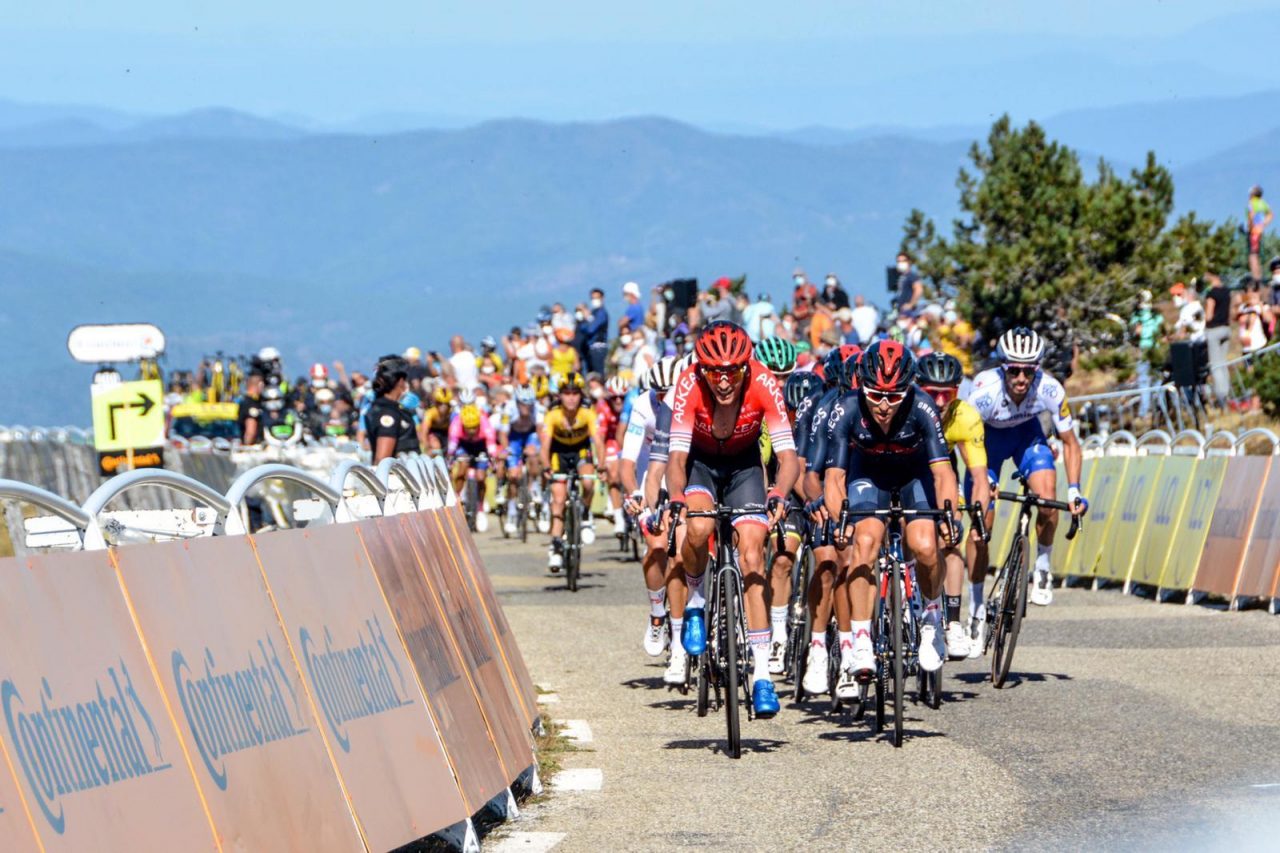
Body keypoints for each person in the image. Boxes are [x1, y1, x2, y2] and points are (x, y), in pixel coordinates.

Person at [664, 321, 799, 718]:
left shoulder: (763, 382)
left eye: (732, 371)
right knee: (699, 528)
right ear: (702, 368)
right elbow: (676, 459)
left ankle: (761, 675)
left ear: (746, 365)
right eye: (714, 372)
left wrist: (778, 492)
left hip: (743, 469)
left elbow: (787, 456)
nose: (723, 381)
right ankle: (696, 598)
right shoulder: (688, 384)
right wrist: (676, 499)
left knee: (754, 557)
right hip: (701, 465)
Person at [823, 340, 960, 681]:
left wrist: (949, 516)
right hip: (867, 473)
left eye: (894, 396)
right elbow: (834, 477)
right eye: (875, 395)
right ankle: (861, 639)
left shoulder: (923, 407)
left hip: (914, 474)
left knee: (927, 547)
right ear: (862, 388)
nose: (884, 405)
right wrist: (841, 518)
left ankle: (931, 617)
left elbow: (943, 473)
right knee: (865, 542)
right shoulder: (847, 408)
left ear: (908, 390)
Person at [967, 328, 1087, 618]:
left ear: (1038, 369)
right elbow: (964, 441)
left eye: (1029, 371)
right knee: (981, 528)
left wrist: (1074, 490)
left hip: (1027, 437)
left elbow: (1070, 443)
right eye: (1014, 371)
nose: (1021, 378)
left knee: (1047, 499)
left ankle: (1043, 566)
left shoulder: (1050, 389)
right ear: (1003, 368)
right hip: (987, 443)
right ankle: (976, 604)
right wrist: (982, 481)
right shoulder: (984, 393)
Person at [916, 352, 990, 659]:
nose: (941, 399)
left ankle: (954, 623)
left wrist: (979, 519)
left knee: (951, 535)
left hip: (943, 471)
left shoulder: (965, 415)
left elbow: (979, 476)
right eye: (934, 393)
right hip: (908, 469)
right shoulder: (910, 409)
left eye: (949, 392)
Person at [541, 371, 605, 570]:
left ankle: (585, 513)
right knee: (559, 500)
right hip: (558, 453)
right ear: (559, 396)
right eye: (566, 393)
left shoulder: (587, 413)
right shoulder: (552, 415)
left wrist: (601, 465)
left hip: (580, 450)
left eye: (575, 393)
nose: (571, 398)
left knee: (587, 481)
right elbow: (544, 447)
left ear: (581, 395)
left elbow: (599, 443)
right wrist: (545, 466)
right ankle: (556, 547)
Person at [449, 403, 499, 531]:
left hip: (480, 446)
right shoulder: (456, 423)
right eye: (468, 428)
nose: (471, 431)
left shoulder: (485, 423)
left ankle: (480, 508)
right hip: (464, 446)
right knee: (462, 466)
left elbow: (491, 445)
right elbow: (453, 445)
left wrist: (493, 460)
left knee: (481, 477)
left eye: (474, 428)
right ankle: (457, 498)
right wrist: (450, 459)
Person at [366, 356, 420, 462]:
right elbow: (382, 460)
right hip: (396, 477)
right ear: (400, 382)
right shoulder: (388, 413)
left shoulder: (393, 409)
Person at [1129, 290, 1164, 418]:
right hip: (1150, 349)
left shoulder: (1144, 315)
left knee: (1147, 381)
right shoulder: (1151, 315)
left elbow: (1137, 332)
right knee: (1153, 380)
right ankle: (1155, 408)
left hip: (1148, 349)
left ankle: (1150, 410)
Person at [1200, 274, 1232, 407]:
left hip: (1214, 331)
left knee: (1216, 366)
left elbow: (1208, 315)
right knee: (1223, 364)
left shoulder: (1212, 293)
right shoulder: (1226, 291)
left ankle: (1222, 397)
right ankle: (1228, 393)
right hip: (1226, 329)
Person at [1247, 186, 1273, 283]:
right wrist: (1263, 224)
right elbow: (1271, 214)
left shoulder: (1252, 203)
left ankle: (1256, 278)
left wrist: (1250, 226)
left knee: (1252, 255)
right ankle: (1259, 276)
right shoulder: (1263, 203)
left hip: (1253, 231)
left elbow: (1251, 215)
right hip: (1260, 230)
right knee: (1257, 254)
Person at [582, 289, 610, 375]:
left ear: (602, 298)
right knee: (591, 374)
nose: (595, 300)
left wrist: (588, 319)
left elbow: (591, 329)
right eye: (593, 298)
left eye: (597, 298)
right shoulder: (594, 312)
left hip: (599, 347)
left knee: (598, 375)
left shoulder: (602, 313)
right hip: (591, 347)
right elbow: (583, 327)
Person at [237, 372, 266, 446]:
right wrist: (247, 446)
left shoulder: (244, 402)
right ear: (260, 385)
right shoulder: (251, 404)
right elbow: (251, 430)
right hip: (254, 447)